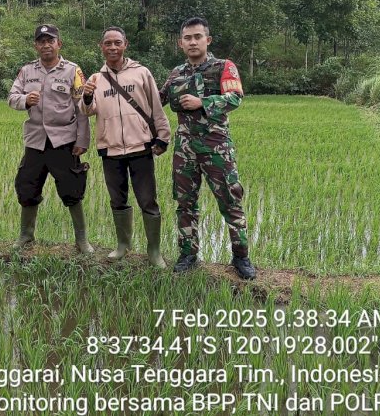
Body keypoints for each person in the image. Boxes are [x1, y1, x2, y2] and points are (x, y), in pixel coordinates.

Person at [159, 17, 256, 280]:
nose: (192, 42)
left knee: (230, 201)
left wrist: (202, 102)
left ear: (207, 40)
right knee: (185, 204)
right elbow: (158, 100)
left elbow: (235, 98)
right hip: (185, 149)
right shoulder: (176, 73)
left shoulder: (224, 67)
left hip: (217, 147)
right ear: (181, 43)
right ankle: (188, 254)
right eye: (188, 38)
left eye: (197, 37)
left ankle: (241, 257)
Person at [80, 26, 171, 265]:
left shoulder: (141, 73)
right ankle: (123, 244)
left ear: (125, 45)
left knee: (147, 199)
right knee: (117, 199)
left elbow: (156, 108)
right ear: (101, 47)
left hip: (139, 146)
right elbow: (88, 111)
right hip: (110, 148)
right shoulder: (95, 79)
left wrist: (163, 136)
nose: (112, 47)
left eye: (117, 43)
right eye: (107, 43)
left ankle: (154, 251)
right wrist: (87, 97)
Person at [8, 24, 93, 253]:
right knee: (27, 186)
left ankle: (82, 240)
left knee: (72, 188)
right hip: (35, 140)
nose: (46, 45)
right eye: (41, 41)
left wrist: (82, 140)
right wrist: (25, 100)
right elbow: (12, 97)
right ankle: (26, 236)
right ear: (36, 45)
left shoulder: (72, 71)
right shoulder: (27, 71)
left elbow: (81, 107)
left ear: (59, 44)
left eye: (50, 40)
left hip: (63, 140)